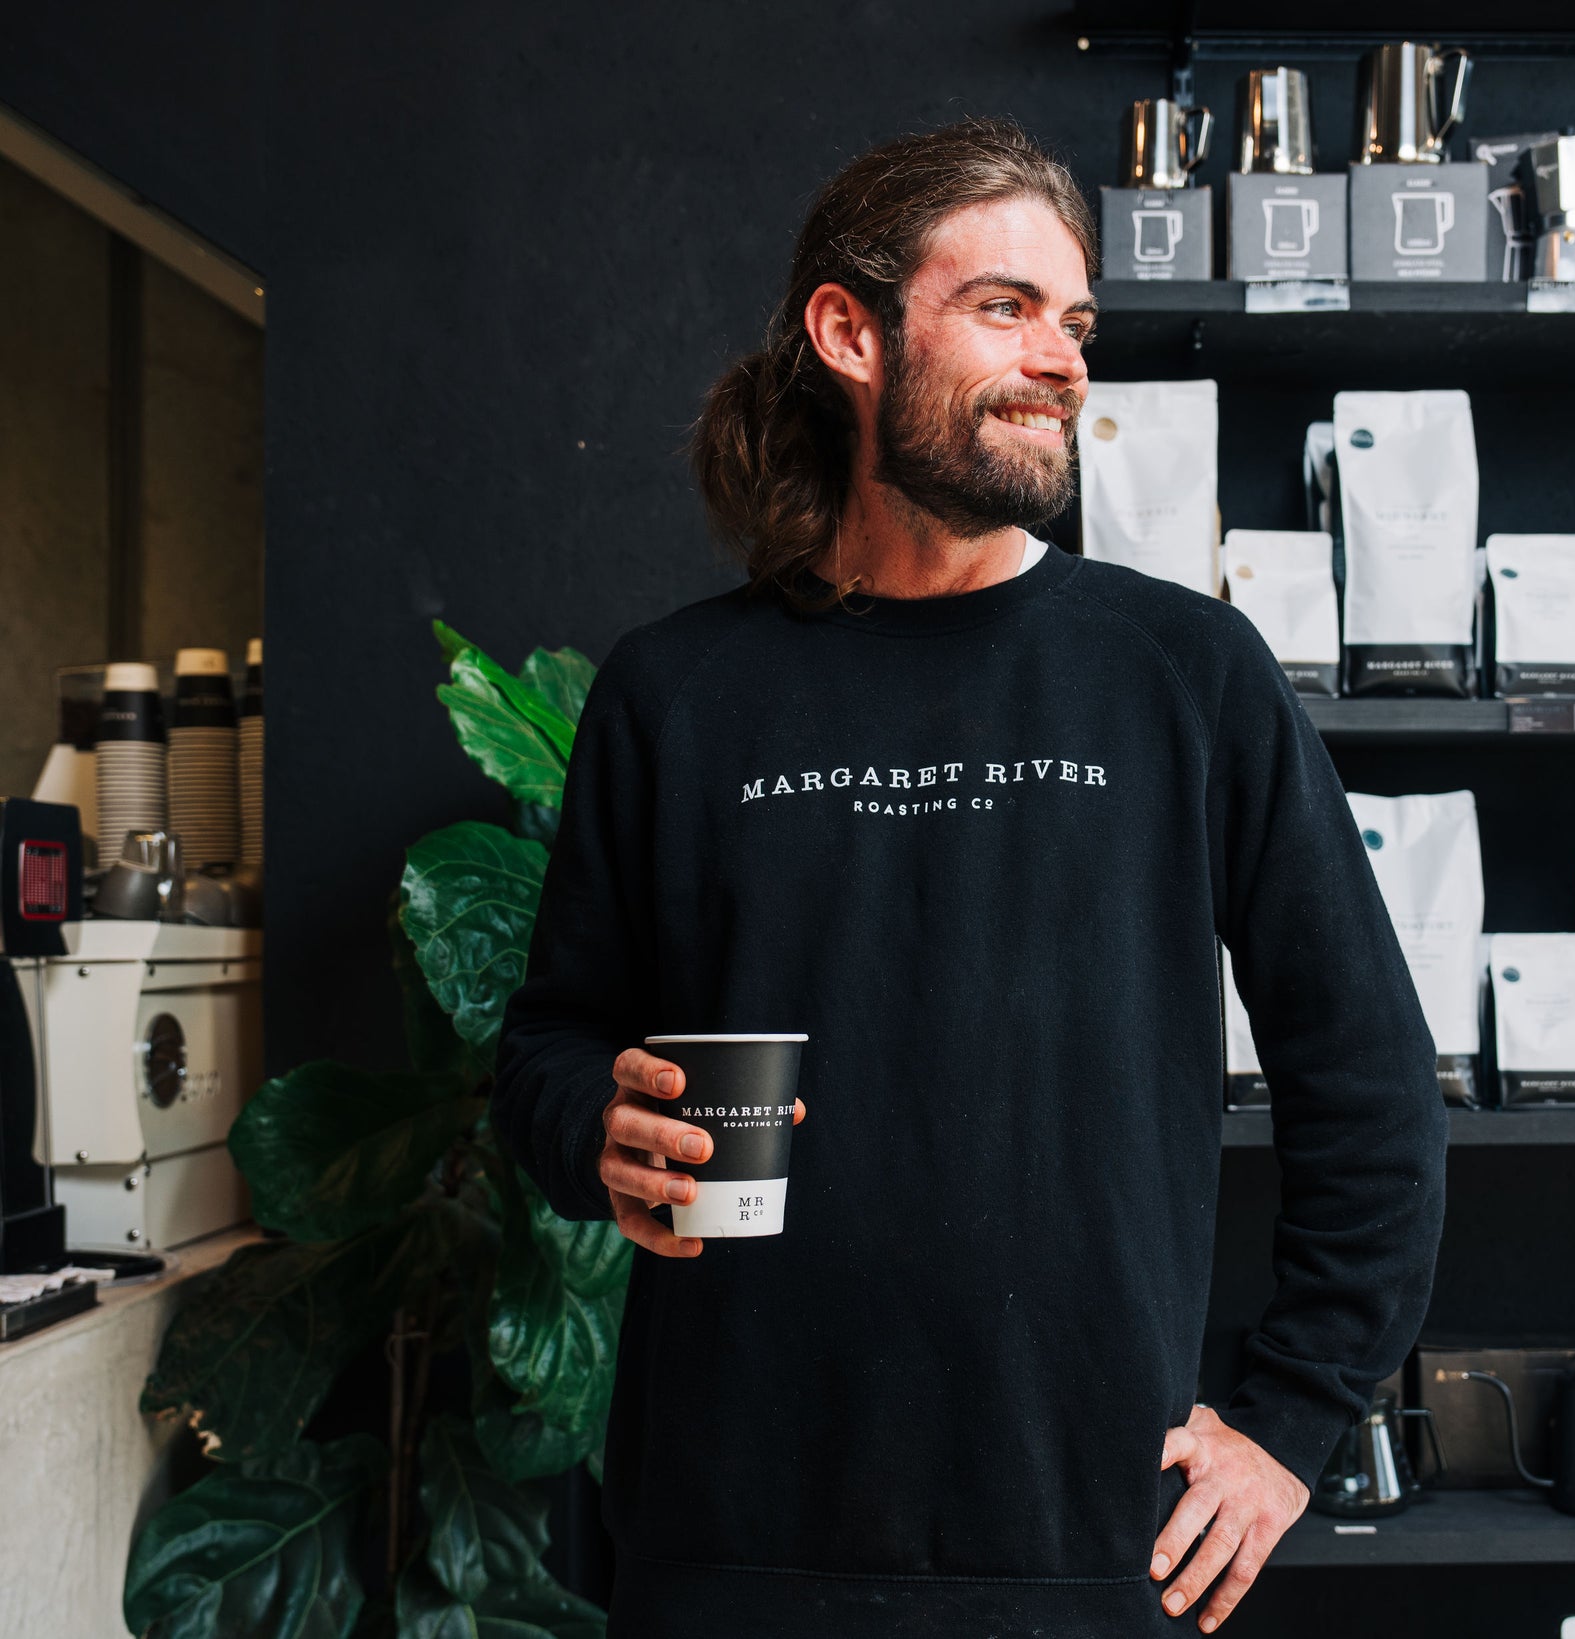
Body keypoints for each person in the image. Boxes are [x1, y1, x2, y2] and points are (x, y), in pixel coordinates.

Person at [492, 116, 1445, 1638]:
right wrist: (594, 1131)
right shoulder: (677, 694)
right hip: (729, 1548)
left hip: (1087, 1545)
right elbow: (547, 1041)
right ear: (850, 333)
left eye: (1075, 321)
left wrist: (1291, 1422)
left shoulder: (1181, 675)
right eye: (1004, 307)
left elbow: (1374, 1085)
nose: (1061, 357)